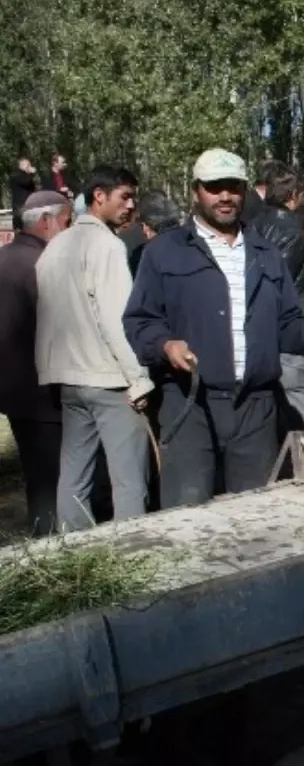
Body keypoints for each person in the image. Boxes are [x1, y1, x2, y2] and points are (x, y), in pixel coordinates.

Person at [123, 149, 304, 508]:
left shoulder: (265, 254)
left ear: (245, 191)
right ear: (195, 191)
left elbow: (288, 327)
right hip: (190, 403)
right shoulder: (164, 252)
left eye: (233, 187)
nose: (224, 196)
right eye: (214, 187)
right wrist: (165, 345)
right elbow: (139, 321)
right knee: (189, 515)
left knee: (254, 517)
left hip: (255, 407)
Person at [35, 165, 154, 530]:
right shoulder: (107, 245)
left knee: (74, 477)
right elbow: (118, 319)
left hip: (69, 378)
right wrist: (138, 378)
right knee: (130, 479)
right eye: (124, 197)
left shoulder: (55, 246)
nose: (131, 206)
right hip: (109, 379)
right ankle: (133, 556)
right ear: (98, 196)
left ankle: (75, 555)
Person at [250, 163, 304, 478]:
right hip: (291, 335)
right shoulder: (290, 233)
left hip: (263, 338)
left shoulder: (251, 226)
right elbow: (276, 286)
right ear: (294, 196)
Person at [0, 192, 73, 534]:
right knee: (50, 481)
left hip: (15, 392)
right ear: (47, 222)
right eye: (67, 223)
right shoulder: (41, 265)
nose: (69, 231)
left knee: (37, 476)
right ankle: (50, 551)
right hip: (42, 393)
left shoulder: (6, 259)